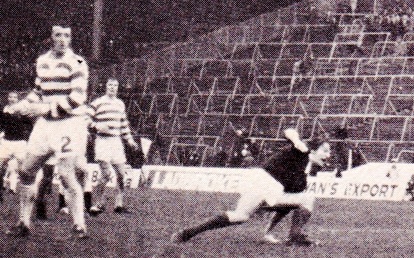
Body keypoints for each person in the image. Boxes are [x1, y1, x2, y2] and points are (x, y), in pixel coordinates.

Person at [172, 127, 329, 246]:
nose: (328, 155)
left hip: (260, 180)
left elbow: (285, 208)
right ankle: (296, 236)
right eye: (325, 150)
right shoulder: (303, 151)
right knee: (308, 198)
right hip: (266, 181)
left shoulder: (303, 175)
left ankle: (188, 233)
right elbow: (288, 131)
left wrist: (267, 232)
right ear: (314, 150)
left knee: (240, 216)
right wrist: (296, 140)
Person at [5, 24, 92, 238]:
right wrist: (23, 105)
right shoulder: (42, 61)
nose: (62, 39)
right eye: (58, 35)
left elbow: (77, 98)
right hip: (45, 125)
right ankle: (24, 223)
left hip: (69, 123)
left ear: (71, 39)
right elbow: (38, 92)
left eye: (67, 35)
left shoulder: (78, 63)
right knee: (26, 171)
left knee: (66, 175)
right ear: (52, 37)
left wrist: (44, 108)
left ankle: (79, 226)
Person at [86, 78, 138, 215]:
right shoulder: (97, 102)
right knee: (106, 174)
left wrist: (130, 140)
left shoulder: (120, 104)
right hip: (102, 141)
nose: (112, 88)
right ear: (106, 86)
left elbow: (123, 124)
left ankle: (118, 205)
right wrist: (97, 126)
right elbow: (86, 119)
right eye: (110, 85)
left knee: (121, 174)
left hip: (116, 142)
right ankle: (98, 204)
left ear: (118, 88)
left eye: (115, 85)